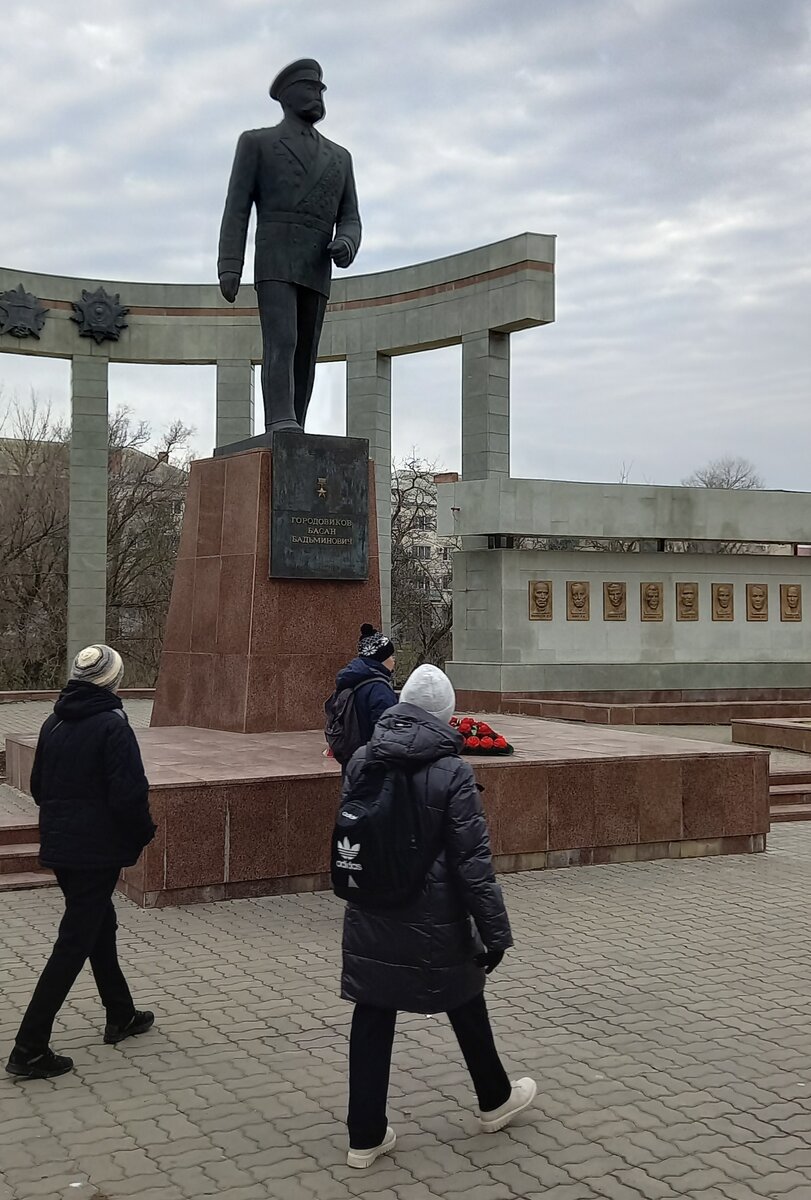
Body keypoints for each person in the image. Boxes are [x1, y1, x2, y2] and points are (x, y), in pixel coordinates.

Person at [340, 663, 536, 1168]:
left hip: (373, 906)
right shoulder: (452, 772)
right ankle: (494, 1099)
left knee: (372, 1010)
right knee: (466, 996)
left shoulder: (363, 758)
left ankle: (364, 1135)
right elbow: (473, 865)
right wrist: (495, 933)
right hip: (434, 914)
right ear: (446, 716)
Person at [5, 645, 157, 1080]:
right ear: (112, 681)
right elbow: (129, 793)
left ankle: (121, 1013)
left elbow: (37, 786)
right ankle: (30, 1047)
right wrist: (142, 833)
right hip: (96, 851)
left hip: (61, 846)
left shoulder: (53, 722)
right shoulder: (113, 724)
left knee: (97, 925)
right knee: (74, 941)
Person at [218, 58, 361, 433]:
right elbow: (237, 208)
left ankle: (295, 420)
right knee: (282, 340)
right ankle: (280, 419)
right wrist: (230, 265)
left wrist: (346, 241)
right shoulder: (258, 143)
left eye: (320, 88)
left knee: (307, 351)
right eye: (310, 87)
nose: (318, 94)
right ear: (287, 95)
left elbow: (351, 216)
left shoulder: (340, 157)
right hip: (276, 257)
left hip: (317, 263)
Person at [329, 623, 398, 762]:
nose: (393, 659)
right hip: (373, 768)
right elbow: (387, 737)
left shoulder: (351, 681)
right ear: (381, 659)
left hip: (354, 765)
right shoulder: (380, 690)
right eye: (391, 655)